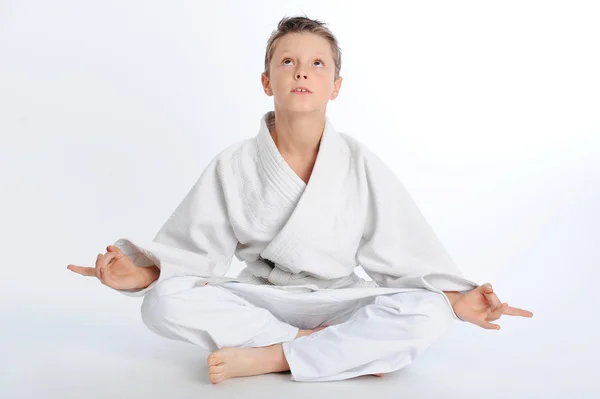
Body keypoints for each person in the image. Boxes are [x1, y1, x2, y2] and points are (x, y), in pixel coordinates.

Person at [67, 15, 533, 384]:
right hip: (263, 300)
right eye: (287, 62)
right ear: (267, 81)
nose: (302, 72)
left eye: (317, 64)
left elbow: (402, 252)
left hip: (340, 297)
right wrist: (144, 274)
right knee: (162, 301)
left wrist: (457, 297)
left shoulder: (359, 162)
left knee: (429, 312)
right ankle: (324, 348)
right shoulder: (234, 164)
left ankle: (271, 358)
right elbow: (194, 254)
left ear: (336, 85)